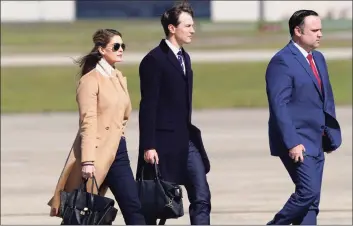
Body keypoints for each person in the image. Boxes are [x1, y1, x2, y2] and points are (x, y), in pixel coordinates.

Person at [47, 28, 146, 225]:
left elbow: (123, 115)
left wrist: (120, 137)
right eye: (116, 46)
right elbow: (88, 123)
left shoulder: (118, 77)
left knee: (133, 206)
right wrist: (88, 162)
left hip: (118, 150)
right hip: (96, 153)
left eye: (122, 46)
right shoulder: (90, 81)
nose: (120, 50)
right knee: (82, 212)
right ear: (101, 50)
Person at [135, 2, 211, 225]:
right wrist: (148, 145)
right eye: (187, 26)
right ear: (172, 28)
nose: (192, 30)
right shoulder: (154, 60)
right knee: (157, 202)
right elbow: (148, 106)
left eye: (192, 25)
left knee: (202, 196)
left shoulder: (185, 58)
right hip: (162, 143)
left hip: (187, 140)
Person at [265, 10, 342, 225]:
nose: (320, 35)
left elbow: (325, 98)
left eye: (321, 30)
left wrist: (329, 133)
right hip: (297, 141)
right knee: (306, 193)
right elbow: (279, 106)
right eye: (314, 30)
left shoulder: (318, 58)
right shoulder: (282, 62)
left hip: (317, 139)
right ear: (297, 31)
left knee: (312, 202)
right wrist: (292, 142)